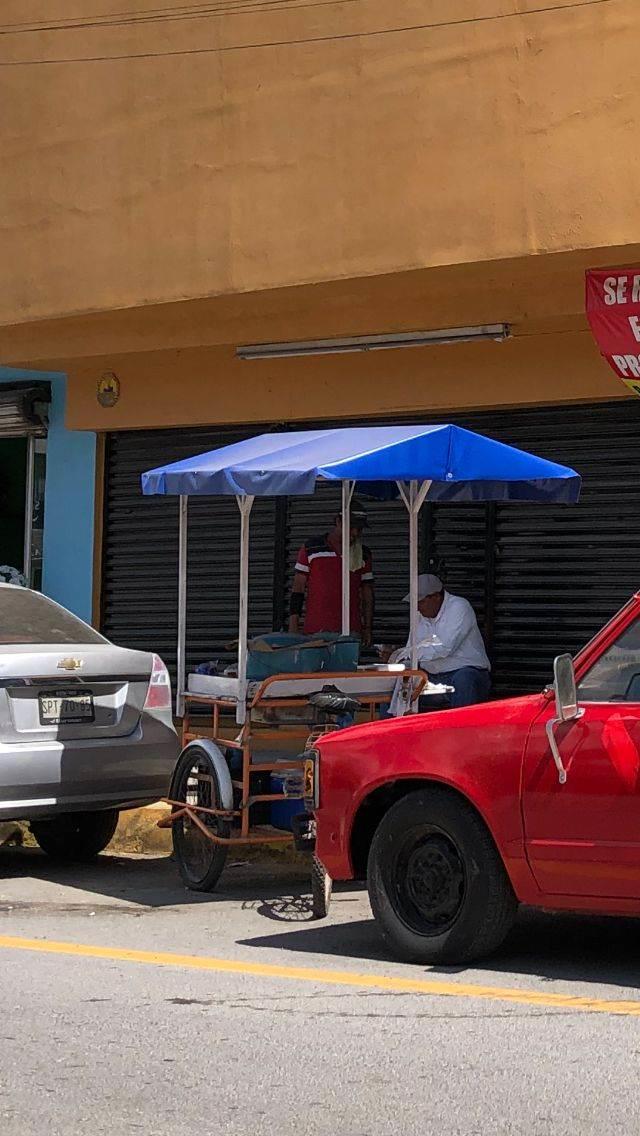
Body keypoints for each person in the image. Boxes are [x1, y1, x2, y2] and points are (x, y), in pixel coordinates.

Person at [385, 573, 490, 708]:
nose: (417, 607)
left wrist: (409, 653)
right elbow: (411, 650)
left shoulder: (459, 607)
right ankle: (391, 727)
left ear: (436, 597)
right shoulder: (418, 616)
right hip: (431, 678)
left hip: (465, 673)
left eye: (420, 602)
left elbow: (444, 648)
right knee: (396, 689)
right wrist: (396, 657)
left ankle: (461, 728)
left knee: (464, 680)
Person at [288, 500, 374, 646]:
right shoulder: (312, 549)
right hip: (315, 632)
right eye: (351, 527)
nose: (355, 533)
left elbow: (367, 594)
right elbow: (298, 589)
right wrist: (293, 625)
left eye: (359, 529)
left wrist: (368, 627)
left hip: (350, 632)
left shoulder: (363, 554)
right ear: (338, 522)